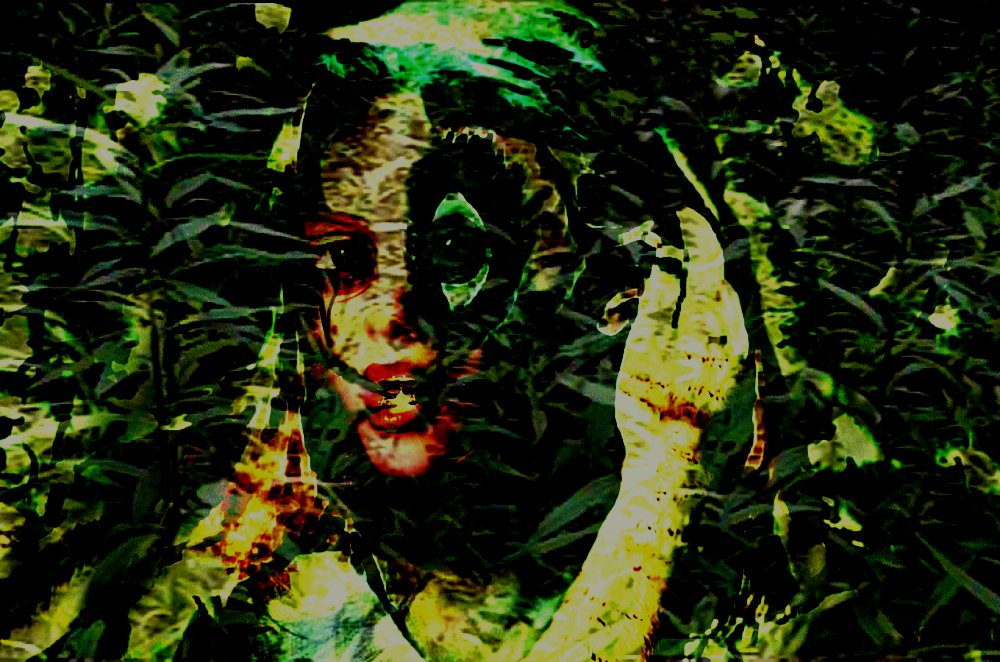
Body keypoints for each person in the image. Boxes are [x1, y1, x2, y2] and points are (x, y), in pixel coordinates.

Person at [126, 2, 749, 660]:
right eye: (343, 259)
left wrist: (668, 460)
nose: (392, 318)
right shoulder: (256, 568)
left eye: (457, 253)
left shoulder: (746, 561)